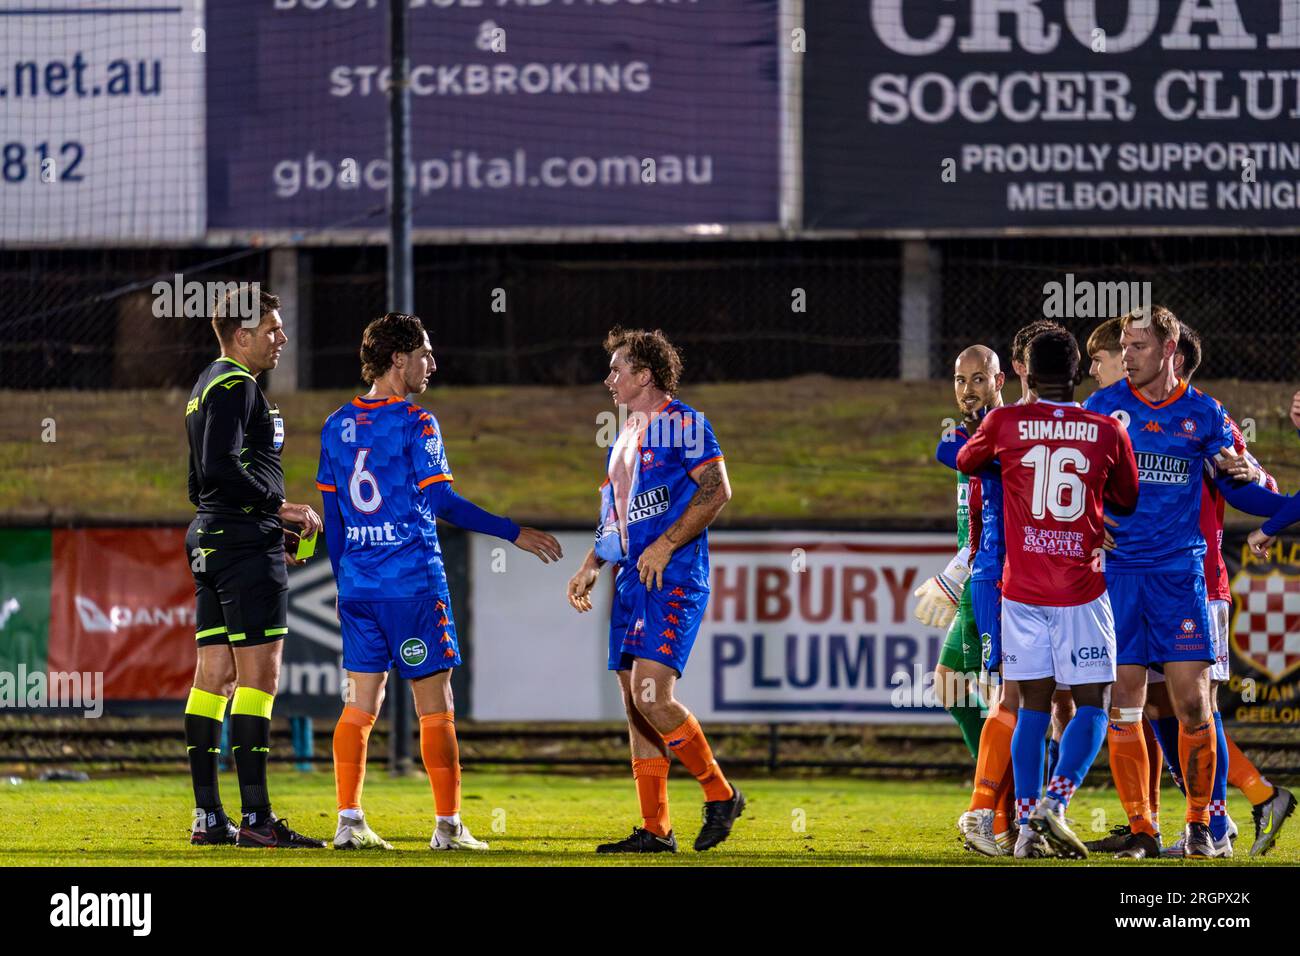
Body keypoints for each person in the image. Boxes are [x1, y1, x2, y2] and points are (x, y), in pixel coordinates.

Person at [317, 312, 562, 851]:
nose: (433, 362)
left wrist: (347, 579)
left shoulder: (336, 424)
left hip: (359, 589)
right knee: (436, 705)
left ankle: (349, 822)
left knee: (358, 706)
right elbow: (443, 501)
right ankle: (448, 826)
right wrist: (512, 531)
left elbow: (333, 519)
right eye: (425, 353)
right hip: (413, 586)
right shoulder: (416, 423)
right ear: (399, 359)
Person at [958, 327, 1140, 859]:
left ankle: (1024, 828)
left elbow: (968, 462)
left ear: (1027, 376)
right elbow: (1126, 501)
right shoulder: (1106, 429)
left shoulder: (1005, 422)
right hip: (1080, 589)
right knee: (1092, 705)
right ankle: (1054, 804)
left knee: (1030, 708)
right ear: (1078, 372)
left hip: (1021, 592)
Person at [565, 327, 744, 853]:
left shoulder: (685, 423)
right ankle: (655, 828)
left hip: (674, 577)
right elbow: (615, 517)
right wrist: (591, 562)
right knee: (634, 702)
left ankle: (720, 793)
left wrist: (665, 544)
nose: (609, 379)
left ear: (644, 374)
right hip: (630, 581)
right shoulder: (623, 436)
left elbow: (718, 490)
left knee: (652, 694)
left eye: (618, 369)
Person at [184, 286, 326, 848]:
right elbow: (219, 468)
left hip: (212, 538)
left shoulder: (203, 387)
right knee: (258, 680)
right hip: (241, 546)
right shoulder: (237, 387)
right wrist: (277, 510)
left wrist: (262, 525)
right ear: (242, 335)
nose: (281, 339)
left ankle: (209, 818)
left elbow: (199, 483)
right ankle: (258, 819)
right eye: (271, 329)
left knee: (212, 679)